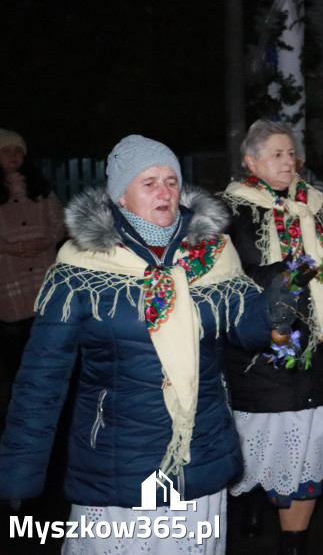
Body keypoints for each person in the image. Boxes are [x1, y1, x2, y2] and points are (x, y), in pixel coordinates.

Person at [0, 135, 278, 554]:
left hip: (198, 453)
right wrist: (20, 471)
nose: (165, 192)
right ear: (121, 197)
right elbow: (42, 377)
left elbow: (247, 333)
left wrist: (274, 310)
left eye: (171, 180)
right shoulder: (82, 267)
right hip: (118, 462)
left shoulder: (212, 253)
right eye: (149, 183)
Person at [220, 119, 323, 555]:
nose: (288, 161)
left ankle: (294, 546)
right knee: (260, 451)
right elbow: (225, 284)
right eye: (276, 154)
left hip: (319, 351)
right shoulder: (226, 212)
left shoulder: (316, 205)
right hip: (260, 360)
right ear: (250, 161)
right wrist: (287, 271)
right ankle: (255, 501)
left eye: (291, 153)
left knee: (307, 453)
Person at [0, 129, 65, 423]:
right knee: (15, 355)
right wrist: (9, 247)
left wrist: (46, 240)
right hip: (8, 279)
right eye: (6, 150)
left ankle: (49, 406)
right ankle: (20, 412)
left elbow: (58, 222)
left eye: (18, 150)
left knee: (47, 350)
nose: (14, 156)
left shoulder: (40, 187)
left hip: (42, 275)